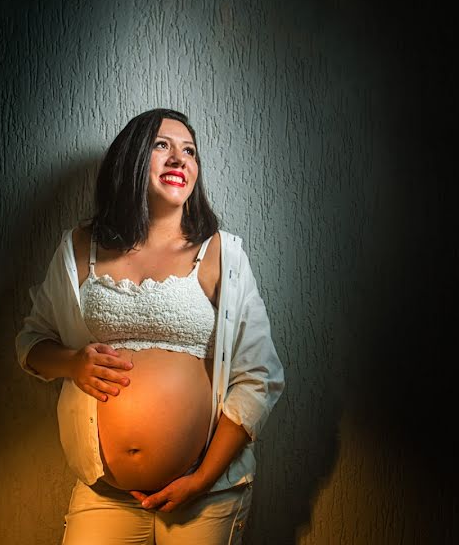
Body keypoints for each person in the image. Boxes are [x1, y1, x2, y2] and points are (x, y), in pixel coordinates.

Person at [15, 108, 284, 544]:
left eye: (190, 151)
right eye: (163, 145)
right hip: (105, 492)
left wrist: (200, 480)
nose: (180, 159)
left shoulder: (222, 253)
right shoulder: (79, 246)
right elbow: (32, 341)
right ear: (132, 158)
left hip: (204, 493)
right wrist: (73, 364)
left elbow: (259, 376)